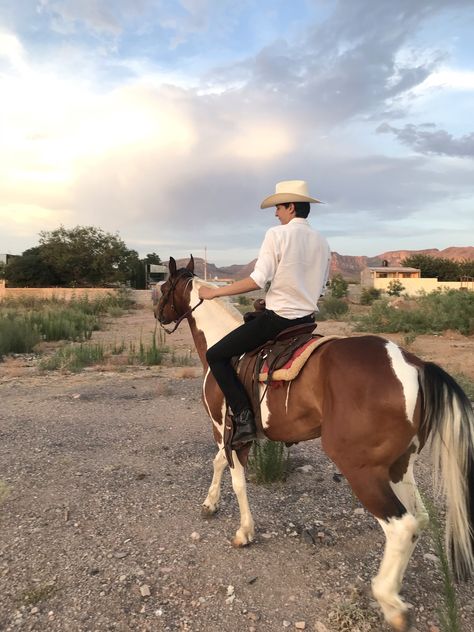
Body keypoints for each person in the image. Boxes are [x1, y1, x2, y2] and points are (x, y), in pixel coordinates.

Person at [198, 180, 331, 449]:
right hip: (306, 323)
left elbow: (258, 279)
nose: (275, 213)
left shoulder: (277, 234)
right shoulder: (322, 241)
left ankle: (244, 417)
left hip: (278, 320)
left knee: (216, 355)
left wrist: (215, 293)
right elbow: (323, 288)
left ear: (291, 207)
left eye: (279, 207)